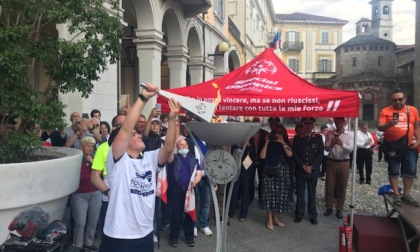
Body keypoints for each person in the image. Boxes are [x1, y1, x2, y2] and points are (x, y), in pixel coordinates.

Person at [99, 83, 180, 252]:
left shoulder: (149, 159)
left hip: (144, 234)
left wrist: (172, 119)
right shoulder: (118, 161)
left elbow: (169, 148)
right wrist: (143, 97)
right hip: (119, 236)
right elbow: (127, 127)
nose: (138, 135)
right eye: (133, 135)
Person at [378, 88, 420, 207]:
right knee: (394, 170)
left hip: (409, 145)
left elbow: (416, 127)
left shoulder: (412, 110)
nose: (397, 102)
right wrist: (389, 124)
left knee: (410, 171)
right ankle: (396, 194)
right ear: (391, 100)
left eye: (400, 99)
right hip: (392, 145)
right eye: (394, 100)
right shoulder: (385, 111)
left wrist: (419, 141)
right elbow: (380, 127)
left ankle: (406, 195)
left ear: (405, 99)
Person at [91, 114, 125, 237]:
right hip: (109, 196)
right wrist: (108, 192)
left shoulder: (132, 145)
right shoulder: (103, 148)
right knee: (109, 231)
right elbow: (95, 176)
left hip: (129, 198)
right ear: (114, 127)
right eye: (122, 125)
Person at [167, 138, 202, 248]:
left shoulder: (193, 159)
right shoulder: (173, 158)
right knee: (175, 215)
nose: (184, 147)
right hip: (177, 191)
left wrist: (194, 183)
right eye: (181, 145)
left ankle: (189, 237)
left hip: (190, 191)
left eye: (185, 144)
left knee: (190, 215)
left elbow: (199, 173)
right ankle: (173, 238)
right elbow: (169, 154)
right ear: (177, 147)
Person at [260, 123, 293, 230]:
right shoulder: (269, 143)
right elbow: (262, 156)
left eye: (280, 133)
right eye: (276, 132)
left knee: (278, 196)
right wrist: (266, 143)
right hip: (269, 172)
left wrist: (283, 142)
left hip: (281, 173)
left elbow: (290, 155)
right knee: (269, 196)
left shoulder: (284, 143)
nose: (277, 135)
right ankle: (269, 219)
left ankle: (275, 218)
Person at [71, 136, 102, 252]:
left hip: (95, 192)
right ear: (82, 146)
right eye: (87, 146)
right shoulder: (77, 158)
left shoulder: (95, 158)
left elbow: (101, 171)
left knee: (93, 221)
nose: (90, 148)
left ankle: (88, 243)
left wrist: (92, 161)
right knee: (80, 222)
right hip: (80, 194)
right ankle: (78, 245)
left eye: (92, 146)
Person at [292, 117, 324, 225]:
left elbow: (320, 155)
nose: (307, 126)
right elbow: (295, 154)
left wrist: (312, 167)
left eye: (310, 124)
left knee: (312, 194)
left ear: (313, 126)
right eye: (305, 124)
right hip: (301, 170)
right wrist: (303, 166)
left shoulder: (318, 138)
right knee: (300, 194)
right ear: (303, 125)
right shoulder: (297, 138)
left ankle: (312, 215)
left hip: (313, 171)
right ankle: (299, 214)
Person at [324, 117, 354, 219]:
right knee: (329, 185)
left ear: (344, 122)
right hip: (331, 162)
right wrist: (331, 145)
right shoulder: (329, 133)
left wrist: (342, 144)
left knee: (342, 186)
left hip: (344, 162)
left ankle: (339, 209)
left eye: (340, 122)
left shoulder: (349, 134)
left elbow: (350, 150)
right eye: (337, 122)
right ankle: (329, 207)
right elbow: (326, 148)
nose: (338, 124)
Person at [228, 142, 253, 222]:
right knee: (233, 191)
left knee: (245, 192)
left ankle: (243, 214)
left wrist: (248, 146)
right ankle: (231, 211)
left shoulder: (250, 143)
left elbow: (253, 154)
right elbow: (230, 153)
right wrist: (238, 146)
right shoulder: (235, 141)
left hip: (246, 171)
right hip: (235, 170)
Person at [249, 117, 269, 204]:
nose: (256, 123)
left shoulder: (265, 133)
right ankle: (250, 197)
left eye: (258, 122)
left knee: (262, 179)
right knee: (250, 178)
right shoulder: (248, 133)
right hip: (250, 159)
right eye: (254, 122)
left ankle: (261, 198)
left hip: (262, 159)